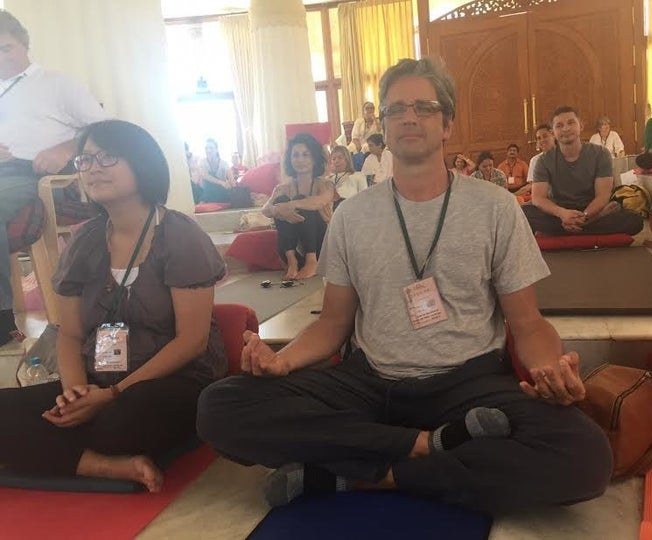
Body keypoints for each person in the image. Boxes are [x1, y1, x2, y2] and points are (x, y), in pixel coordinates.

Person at [197, 58, 612, 515]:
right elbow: (333, 323)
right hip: (369, 383)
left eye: (424, 107)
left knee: (585, 456)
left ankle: (366, 476)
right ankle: (426, 446)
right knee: (219, 407)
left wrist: (549, 369)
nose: (409, 118)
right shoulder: (353, 216)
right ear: (384, 126)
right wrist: (283, 360)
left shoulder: (494, 207)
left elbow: (528, 322)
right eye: (396, 110)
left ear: (447, 123)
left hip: (466, 384)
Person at [0, 119, 227, 491]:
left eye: (108, 157)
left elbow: (191, 342)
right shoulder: (85, 241)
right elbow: (70, 333)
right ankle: (102, 465)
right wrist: (75, 393)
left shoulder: (179, 236)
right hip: (98, 378)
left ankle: (67, 451)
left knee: (122, 422)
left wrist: (111, 396)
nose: (93, 168)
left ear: (142, 163)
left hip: (167, 383)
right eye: (85, 161)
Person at [0, 10, 106, 347]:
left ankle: (1, 321)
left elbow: (105, 131)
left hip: (41, 175)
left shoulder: (56, 83)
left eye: (6, 48)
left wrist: (66, 147)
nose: (0, 57)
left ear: (24, 45)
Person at [522, 106, 644, 236]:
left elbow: (602, 197)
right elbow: (538, 198)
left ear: (581, 125)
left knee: (634, 220)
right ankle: (585, 227)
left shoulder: (601, 154)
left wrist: (584, 216)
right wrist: (563, 214)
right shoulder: (544, 160)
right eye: (559, 125)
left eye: (571, 123)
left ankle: (569, 228)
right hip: (559, 212)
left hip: (592, 210)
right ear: (553, 132)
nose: (566, 129)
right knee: (524, 213)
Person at [261, 133, 334, 280]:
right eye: (296, 155)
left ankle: (312, 262)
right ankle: (291, 260)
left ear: (314, 159)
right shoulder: (282, 188)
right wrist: (279, 209)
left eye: (305, 155)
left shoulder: (325, 184)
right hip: (292, 246)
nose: (300, 160)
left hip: (320, 246)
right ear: (290, 159)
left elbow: (319, 202)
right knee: (280, 200)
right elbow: (265, 209)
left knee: (301, 201)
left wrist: (291, 205)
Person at [198, 138, 233, 203]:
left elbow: (232, 181)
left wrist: (233, 189)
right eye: (206, 148)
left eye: (211, 148)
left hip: (221, 193)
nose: (208, 150)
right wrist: (221, 182)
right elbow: (205, 176)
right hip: (208, 193)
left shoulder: (224, 164)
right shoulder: (202, 162)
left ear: (216, 150)